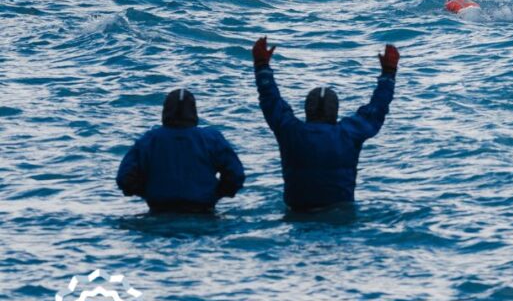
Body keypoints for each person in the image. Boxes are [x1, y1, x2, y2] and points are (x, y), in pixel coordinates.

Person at [252, 37, 398, 211]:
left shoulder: (290, 131)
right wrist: (389, 73)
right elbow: (377, 107)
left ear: (307, 110)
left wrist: (262, 66)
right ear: (335, 111)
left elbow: (270, 100)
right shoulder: (348, 133)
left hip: (299, 215)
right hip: (340, 213)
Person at [116, 88, 245, 213]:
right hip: (202, 211)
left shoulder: (149, 140)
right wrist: (217, 193)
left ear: (165, 111)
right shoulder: (212, 139)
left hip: (160, 211)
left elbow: (124, 178)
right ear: (194, 112)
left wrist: (147, 192)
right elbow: (236, 174)